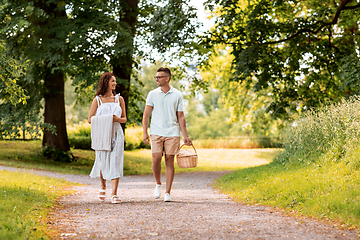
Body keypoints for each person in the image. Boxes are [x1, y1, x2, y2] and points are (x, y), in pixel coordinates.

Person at [142, 67, 192, 202]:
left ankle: (168, 192)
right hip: (156, 131)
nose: (156, 79)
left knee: (170, 160)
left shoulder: (177, 94)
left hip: (172, 132)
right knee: (156, 158)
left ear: (167, 78)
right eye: (156, 77)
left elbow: (181, 116)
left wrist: (185, 135)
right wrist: (145, 132)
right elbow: (146, 114)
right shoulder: (152, 94)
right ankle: (158, 183)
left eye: (159, 77)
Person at [88, 72, 127, 204]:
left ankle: (114, 194)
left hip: (116, 133)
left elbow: (124, 119)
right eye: (112, 81)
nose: (115, 84)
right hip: (102, 133)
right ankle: (103, 186)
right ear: (106, 83)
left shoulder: (119, 99)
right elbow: (90, 119)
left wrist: (116, 119)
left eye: (115, 81)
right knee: (102, 161)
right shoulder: (97, 100)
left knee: (115, 161)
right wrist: (106, 119)